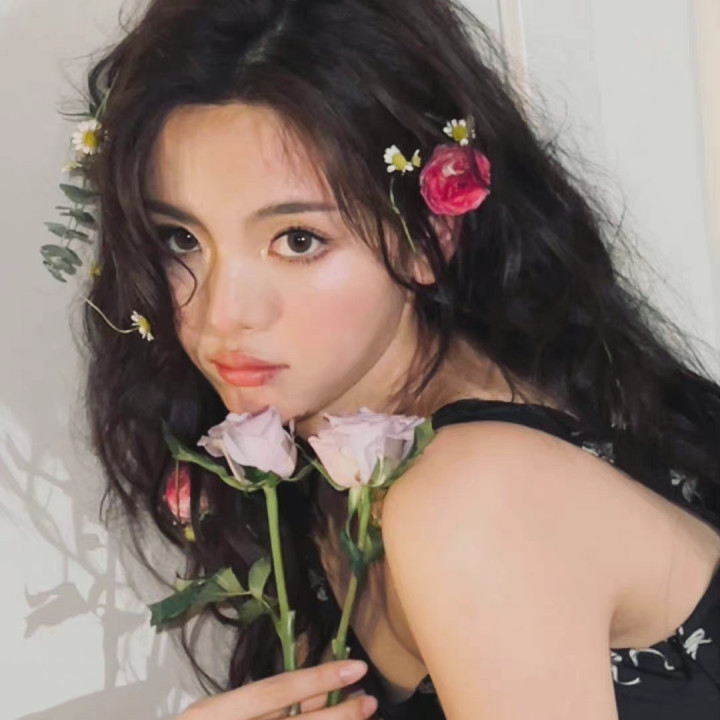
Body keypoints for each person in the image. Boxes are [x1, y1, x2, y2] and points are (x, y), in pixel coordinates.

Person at [76, 0, 720, 718]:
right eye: (181, 240)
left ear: (429, 237)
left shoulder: (474, 497)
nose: (223, 313)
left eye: (298, 240)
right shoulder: (331, 465)